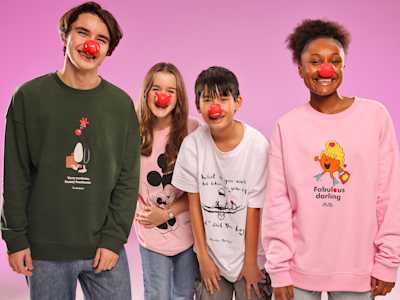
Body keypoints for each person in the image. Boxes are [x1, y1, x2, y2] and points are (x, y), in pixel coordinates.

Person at [1, 2, 140, 299]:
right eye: (82, 32)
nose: (91, 44)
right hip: (44, 250)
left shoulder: (121, 105)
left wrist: (113, 239)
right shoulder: (28, 97)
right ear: (65, 36)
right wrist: (15, 238)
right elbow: (15, 175)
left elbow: (128, 179)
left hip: (103, 248)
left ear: (108, 50)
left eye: (101, 39)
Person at [262, 19, 400, 300]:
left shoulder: (375, 117)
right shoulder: (286, 126)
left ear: (343, 67)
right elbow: (277, 203)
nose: (326, 69)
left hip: (358, 268)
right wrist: (278, 269)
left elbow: (389, 194)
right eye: (315, 61)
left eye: (334, 61)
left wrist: (388, 261)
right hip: (299, 270)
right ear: (300, 69)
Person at [172, 66, 272, 300]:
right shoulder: (193, 145)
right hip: (212, 258)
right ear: (198, 106)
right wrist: (203, 259)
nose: (215, 107)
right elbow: (193, 205)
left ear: (238, 102)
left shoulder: (257, 145)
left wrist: (250, 263)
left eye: (223, 99)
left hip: (251, 256)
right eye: (207, 99)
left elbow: (254, 208)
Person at [134, 62, 199, 300]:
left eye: (170, 91)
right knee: (157, 295)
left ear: (178, 97)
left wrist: (167, 213)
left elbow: (198, 191)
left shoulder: (193, 129)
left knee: (183, 295)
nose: (162, 96)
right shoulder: (133, 130)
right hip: (150, 232)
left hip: (187, 231)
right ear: (146, 93)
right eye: (156, 88)